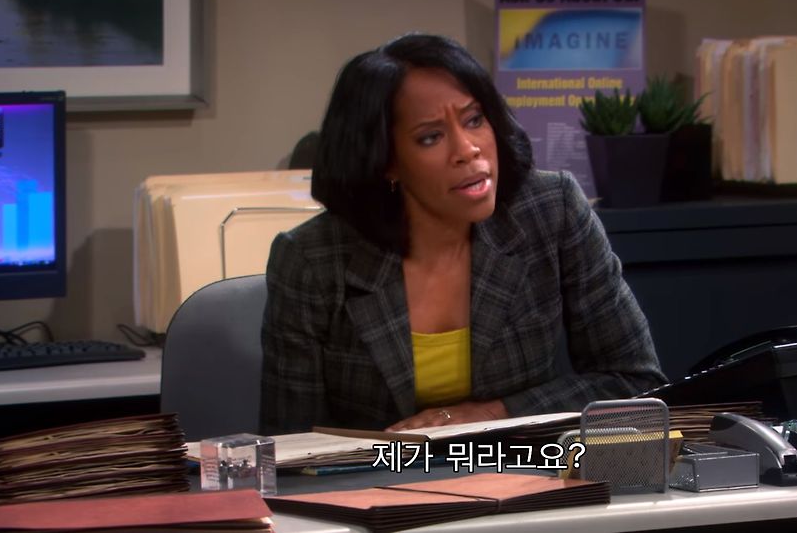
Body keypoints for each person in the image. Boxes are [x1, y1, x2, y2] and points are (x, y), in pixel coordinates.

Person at [259, 33, 666, 435]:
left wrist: (494, 413)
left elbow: (634, 381)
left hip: (522, 467)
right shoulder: (313, 260)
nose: (467, 149)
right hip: (378, 475)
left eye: (474, 120)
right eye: (431, 137)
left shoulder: (551, 211)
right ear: (385, 161)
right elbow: (291, 445)